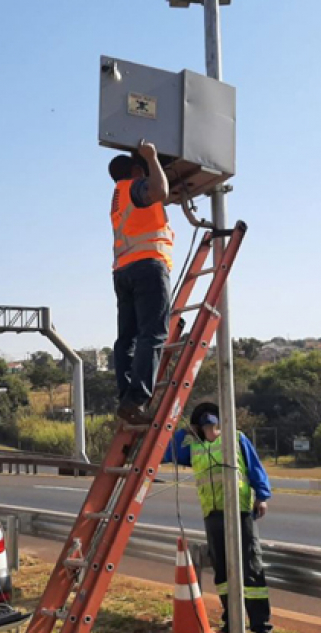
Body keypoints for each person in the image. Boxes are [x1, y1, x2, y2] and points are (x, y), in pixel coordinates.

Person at [161, 402, 273, 633]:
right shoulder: (194, 447)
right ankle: (232, 624)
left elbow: (254, 467)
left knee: (251, 570)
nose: (212, 430)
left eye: (214, 425)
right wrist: (187, 431)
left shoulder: (236, 439)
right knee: (223, 572)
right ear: (199, 427)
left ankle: (261, 630)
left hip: (240, 513)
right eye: (206, 426)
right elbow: (167, 452)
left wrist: (262, 497)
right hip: (212, 514)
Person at [108, 140, 174, 425]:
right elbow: (160, 190)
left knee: (128, 339)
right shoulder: (135, 187)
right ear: (137, 170)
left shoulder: (118, 197)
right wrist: (152, 156)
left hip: (124, 271)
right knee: (153, 334)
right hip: (148, 267)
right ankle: (136, 400)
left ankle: (126, 397)